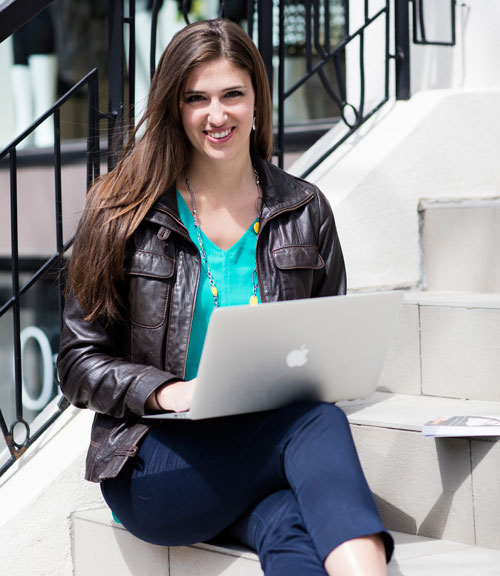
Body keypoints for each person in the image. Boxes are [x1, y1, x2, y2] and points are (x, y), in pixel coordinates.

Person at [57, 18, 393, 576]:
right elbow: (77, 362)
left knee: (288, 525)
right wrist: (167, 392)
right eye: (197, 98)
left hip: (257, 446)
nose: (217, 115)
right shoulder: (121, 213)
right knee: (316, 424)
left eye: (232, 94)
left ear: (257, 99)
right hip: (154, 462)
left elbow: (328, 344)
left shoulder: (304, 209)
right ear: (174, 107)